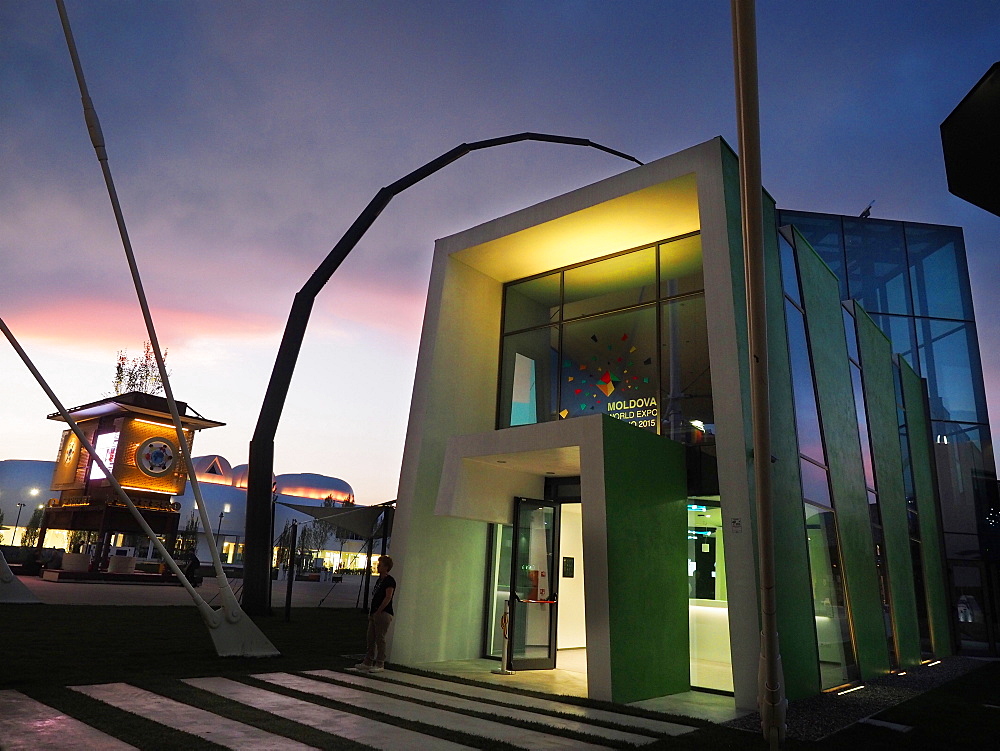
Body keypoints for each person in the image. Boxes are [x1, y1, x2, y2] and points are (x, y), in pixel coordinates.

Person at [356, 555, 396, 673]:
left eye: (380, 565)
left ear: (386, 567)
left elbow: (388, 597)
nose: (378, 567)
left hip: (383, 613)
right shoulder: (380, 580)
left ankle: (380, 663)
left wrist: (379, 611)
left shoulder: (389, 581)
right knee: (371, 637)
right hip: (375, 612)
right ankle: (368, 661)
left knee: (380, 638)